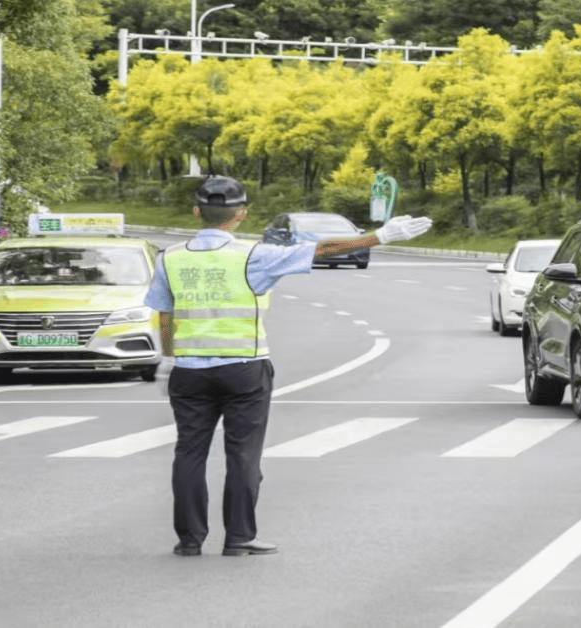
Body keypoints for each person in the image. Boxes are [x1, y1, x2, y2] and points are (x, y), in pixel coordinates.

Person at [143, 175, 431, 557]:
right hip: (245, 369)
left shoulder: (171, 257)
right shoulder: (254, 255)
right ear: (241, 214)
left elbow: (165, 315)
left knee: (189, 454)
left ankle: (190, 540)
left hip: (189, 371)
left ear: (197, 212)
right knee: (243, 454)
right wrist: (380, 236)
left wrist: (167, 357)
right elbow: (322, 249)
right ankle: (240, 537)